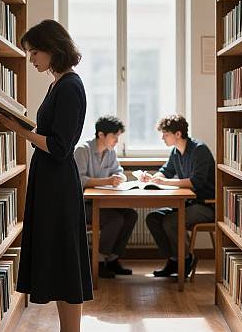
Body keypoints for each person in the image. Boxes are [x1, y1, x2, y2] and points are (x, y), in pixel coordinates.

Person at [0, 19, 92, 332]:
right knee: (59, 259)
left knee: (65, 260)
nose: (32, 59)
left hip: (58, 184)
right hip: (49, 181)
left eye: (34, 52)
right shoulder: (58, 84)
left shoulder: (69, 86)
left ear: (53, 48)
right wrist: (23, 124)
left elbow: (60, 146)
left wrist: (19, 130)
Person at [143, 114, 215, 278]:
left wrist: (165, 183)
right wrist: (153, 177)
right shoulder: (176, 152)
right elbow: (166, 171)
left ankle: (186, 259)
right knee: (153, 218)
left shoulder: (199, 150)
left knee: (171, 221)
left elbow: (196, 182)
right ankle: (174, 260)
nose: (162, 138)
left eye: (165, 134)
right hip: (188, 203)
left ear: (178, 134)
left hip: (206, 205)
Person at [74, 116, 137, 278]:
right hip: (82, 205)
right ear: (101, 135)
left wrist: (119, 178)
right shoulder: (82, 150)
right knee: (115, 219)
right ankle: (99, 261)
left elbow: (119, 172)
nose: (116, 140)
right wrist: (107, 180)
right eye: (114, 136)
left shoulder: (110, 152)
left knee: (131, 215)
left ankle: (113, 259)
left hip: (103, 203)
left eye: (118, 137)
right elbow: (78, 180)